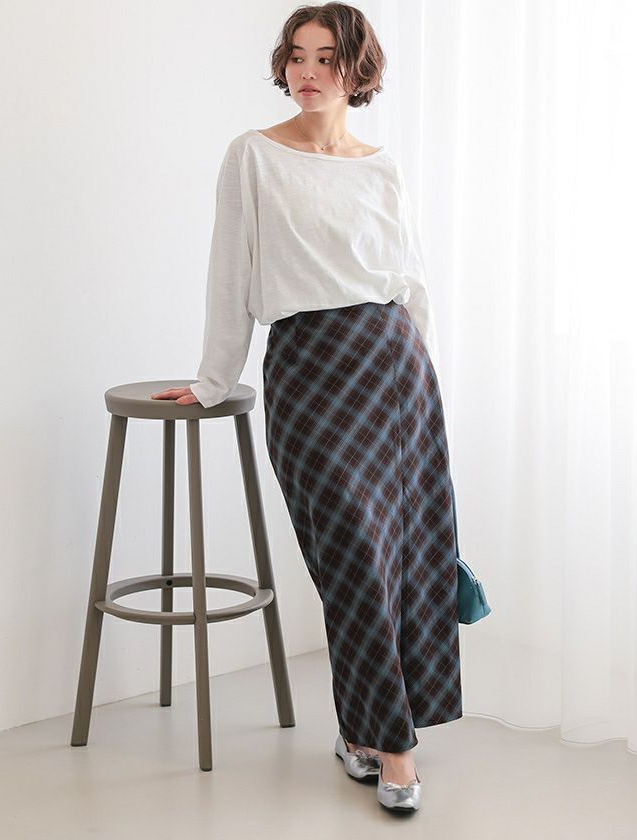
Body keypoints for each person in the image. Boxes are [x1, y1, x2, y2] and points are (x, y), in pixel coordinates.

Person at [152, 2, 462, 812]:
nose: (309, 71)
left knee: (404, 558)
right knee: (351, 557)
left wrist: (424, 378)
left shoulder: (380, 166)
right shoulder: (253, 156)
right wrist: (214, 378)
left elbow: (410, 278)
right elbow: (230, 269)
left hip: (394, 371)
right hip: (309, 369)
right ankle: (389, 741)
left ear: (358, 70)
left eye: (327, 57)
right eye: (297, 55)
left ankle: (374, 737)